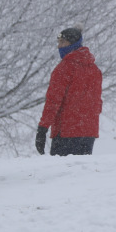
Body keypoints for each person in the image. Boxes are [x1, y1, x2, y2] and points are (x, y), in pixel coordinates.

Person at [36, 26, 103, 156]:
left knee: (62, 168)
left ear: (72, 43)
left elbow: (53, 101)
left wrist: (43, 128)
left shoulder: (64, 68)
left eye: (62, 42)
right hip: (88, 132)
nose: (59, 46)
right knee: (82, 168)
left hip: (66, 131)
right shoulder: (94, 69)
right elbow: (97, 102)